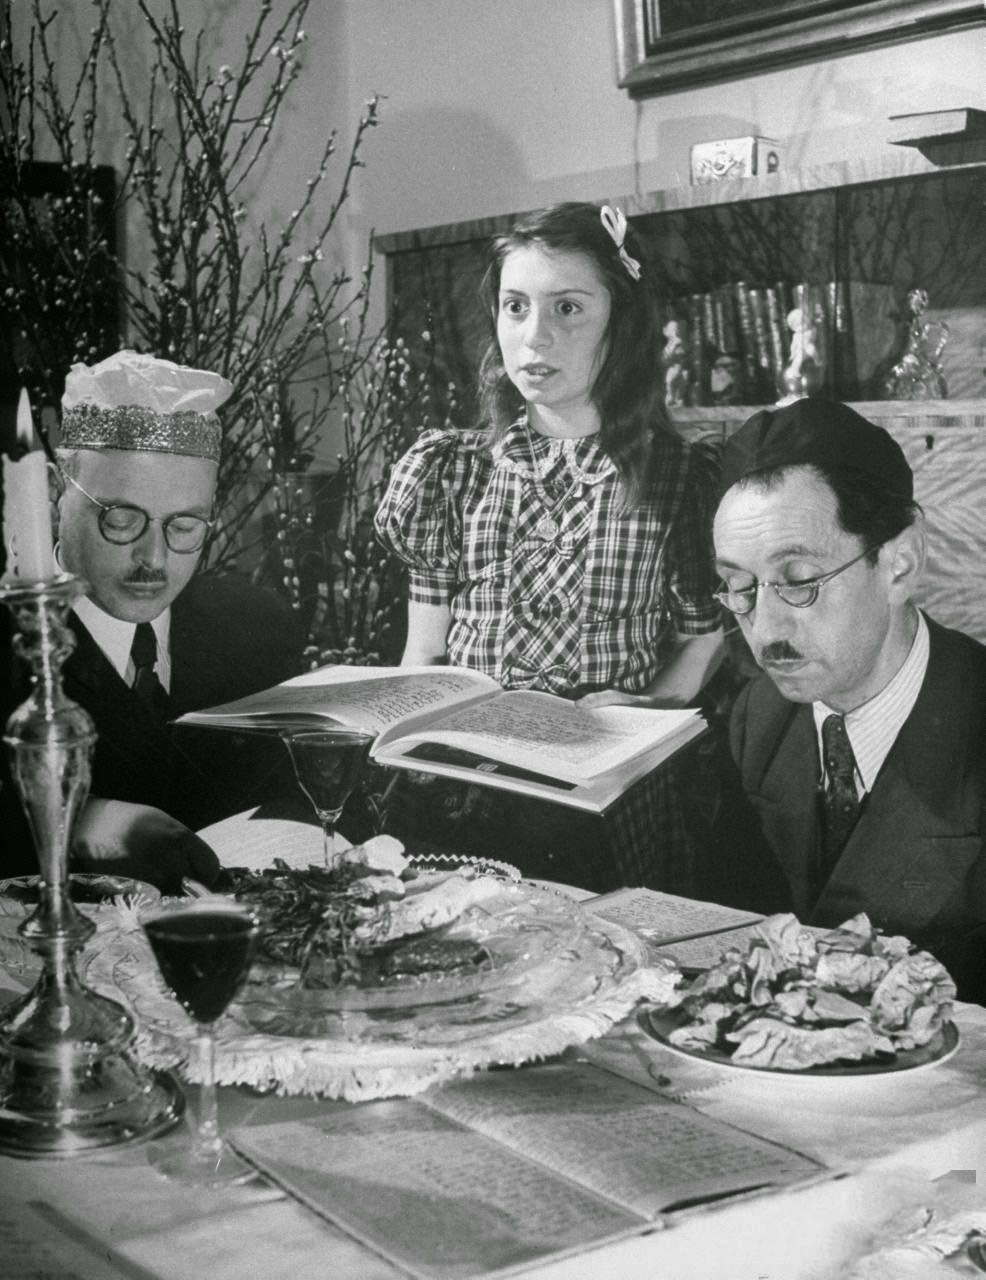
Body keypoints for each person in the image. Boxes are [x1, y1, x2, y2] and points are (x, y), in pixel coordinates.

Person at [374, 201, 723, 889]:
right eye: (515, 307)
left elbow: (702, 643)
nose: (535, 337)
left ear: (620, 324)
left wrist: (640, 709)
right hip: (464, 788)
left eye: (568, 309)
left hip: (601, 795)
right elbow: (424, 651)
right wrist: (407, 748)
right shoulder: (451, 471)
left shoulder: (678, 479)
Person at [707, 396, 986, 1000]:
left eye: (800, 581)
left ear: (900, 563)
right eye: (738, 585)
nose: (767, 629)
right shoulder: (760, 716)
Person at [1, 351, 305, 892]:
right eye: (120, 518)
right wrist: (80, 824)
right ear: (54, 493)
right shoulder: (15, 639)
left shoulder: (256, 628)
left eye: (184, 526)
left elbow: (292, 799)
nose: (154, 559)